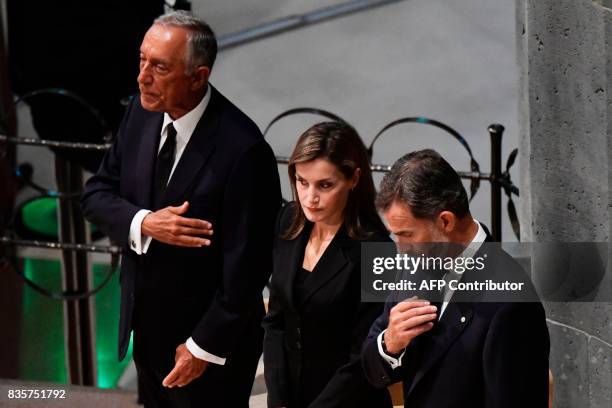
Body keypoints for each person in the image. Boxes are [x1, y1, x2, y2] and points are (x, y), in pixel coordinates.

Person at [81, 11, 281, 407]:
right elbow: (96, 194)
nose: (142, 77)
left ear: (198, 77)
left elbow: (249, 268)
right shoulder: (140, 112)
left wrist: (201, 347)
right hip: (146, 336)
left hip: (206, 354)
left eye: (159, 66)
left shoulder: (243, 150)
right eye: (142, 60)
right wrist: (145, 222)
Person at [361, 149, 550, 408]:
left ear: (445, 221)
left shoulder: (512, 305)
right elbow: (372, 366)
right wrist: (391, 343)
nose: (399, 248)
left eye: (406, 234)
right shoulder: (415, 263)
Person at [263, 122, 392, 408]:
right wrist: (279, 398)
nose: (310, 198)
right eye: (302, 182)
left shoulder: (377, 249)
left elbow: (363, 355)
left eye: (325, 185)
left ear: (354, 179)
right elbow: (276, 320)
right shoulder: (288, 220)